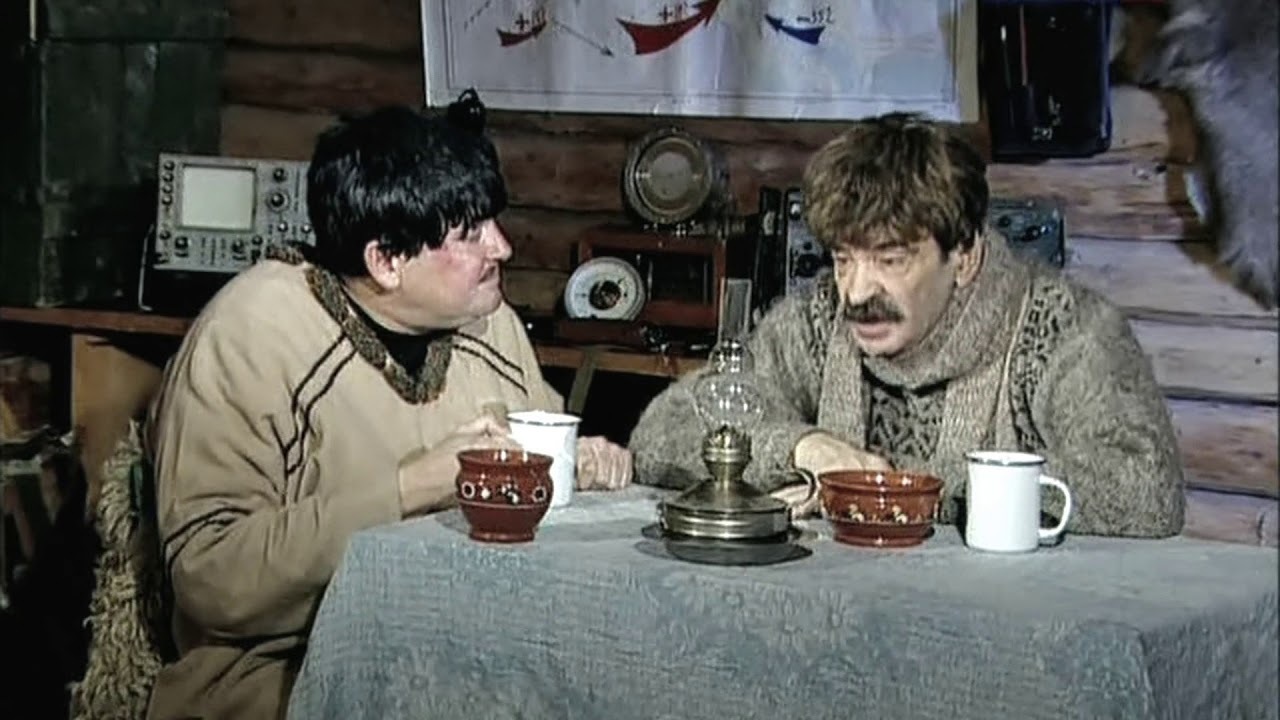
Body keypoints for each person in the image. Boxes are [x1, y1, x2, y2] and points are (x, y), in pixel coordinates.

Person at [145, 106, 633, 720]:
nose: (502, 247)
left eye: (494, 222)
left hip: (470, 644)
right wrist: (412, 486)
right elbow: (211, 581)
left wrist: (578, 465)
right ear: (387, 261)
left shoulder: (490, 322)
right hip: (283, 669)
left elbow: (538, 467)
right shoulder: (251, 335)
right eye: (470, 233)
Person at [629, 112, 1185, 537]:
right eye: (844, 258)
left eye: (890, 260)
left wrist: (903, 490)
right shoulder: (816, 319)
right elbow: (660, 435)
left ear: (964, 257)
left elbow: (1146, 490)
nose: (856, 293)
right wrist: (803, 449)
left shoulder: (1064, 329)